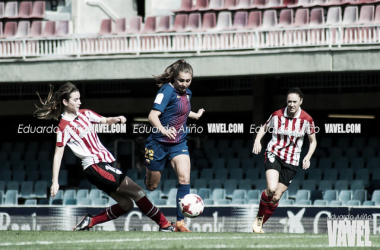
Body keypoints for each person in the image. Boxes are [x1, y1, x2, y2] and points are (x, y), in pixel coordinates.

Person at [34, 82, 175, 232]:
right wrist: (54, 181)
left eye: (79, 99)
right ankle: (165, 225)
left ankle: (90, 221)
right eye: (75, 100)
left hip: (101, 166)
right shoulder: (63, 128)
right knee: (137, 191)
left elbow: (105, 120)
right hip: (94, 166)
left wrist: (116, 118)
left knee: (126, 204)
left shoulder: (85, 113)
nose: (79, 102)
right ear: (65, 102)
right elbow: (58, 155)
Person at [144, 59, 205, 232]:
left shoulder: (188, 93)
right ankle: (148, 173)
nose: (184, 84)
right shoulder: (166, 91)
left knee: (185, 178)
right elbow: (152, 116)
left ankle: (180, 223)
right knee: (152, 186)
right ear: (174, 78)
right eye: (181, 80)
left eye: (188, 81)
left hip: (178, 143)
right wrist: (163, 130)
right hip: (157, 143)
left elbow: (180, 111)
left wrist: (195, 115)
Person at [251, 87, 317, 233]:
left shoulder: (307, 119)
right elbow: (264, 127)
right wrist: (257, 140)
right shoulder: (277, 115)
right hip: (274, 153)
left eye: (294, 101)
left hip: (292, 160)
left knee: (276, 197)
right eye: (289, 102)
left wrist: (308, 156)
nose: (292, 104)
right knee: (271, 189)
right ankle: (260, 217)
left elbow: (313, 141)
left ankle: (259, 224)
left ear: (301, 101)